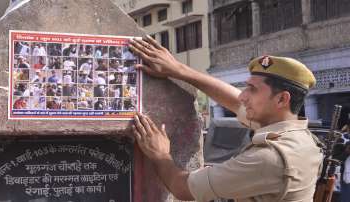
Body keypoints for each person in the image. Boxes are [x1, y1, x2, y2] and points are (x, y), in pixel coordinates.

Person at [128, 36, 323, 201]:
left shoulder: (270, 158)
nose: (242, 96)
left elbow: (183, 188)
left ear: (282, 99)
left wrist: (160, 154)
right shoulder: (297, 136)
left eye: (252, 89)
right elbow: (234, 101)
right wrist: (178, 70)